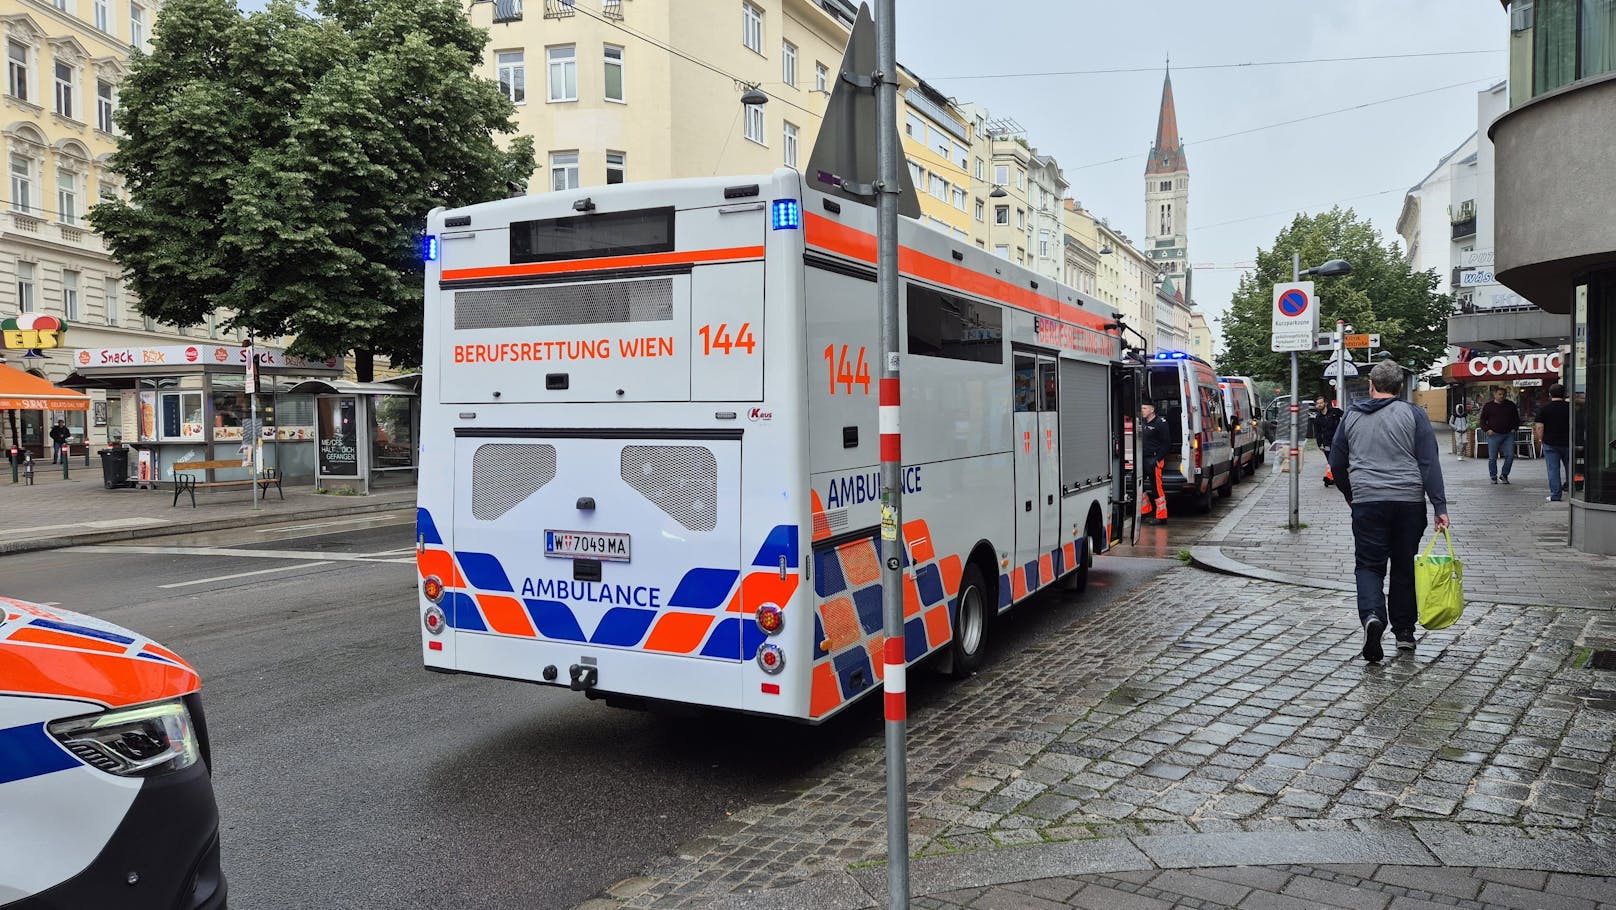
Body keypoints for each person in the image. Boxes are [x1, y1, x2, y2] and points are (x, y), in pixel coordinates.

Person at [1328, 360, 1449, 662]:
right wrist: (1439, 506)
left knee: (1369, 565)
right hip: (1408, 502)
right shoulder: (1414, 414)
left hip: (1368, 501)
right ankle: (1405, 633)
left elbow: (1336, 462)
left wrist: (1350, 493)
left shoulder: (1351, 416)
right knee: (1405, 565)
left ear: (1371, 385)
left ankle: (1372, 616)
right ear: (1399, 388)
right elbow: (1429, 462)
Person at [1534, 383, 1571, 502]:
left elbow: (1539, 427)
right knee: (1570, 468)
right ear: (1564, 394)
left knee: (1553, 469)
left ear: (1550, 394)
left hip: (1550, 443)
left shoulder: (1544, 409)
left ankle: (1556, 495)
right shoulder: (1570, 408)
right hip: (1568, 442)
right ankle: (1574, 493)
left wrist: (1541, 440)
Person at [1478, 387, 1521, 484]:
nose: (1502, 396)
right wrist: (1487, 429)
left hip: (1508, 434)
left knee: (1510, 455)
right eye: (1500, 394)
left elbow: (1516, 418)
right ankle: (1493, 476)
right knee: (1492, 457)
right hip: (1494, 435)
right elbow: (1482, 419)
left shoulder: (1510, 405)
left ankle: (1504, 475)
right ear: (1495, 395)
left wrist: (1515, 428)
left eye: (1503, 394)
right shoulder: (1488, 406)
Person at [1139, 402, 1170, 525]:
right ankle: (1145, 511)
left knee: (1156, 488)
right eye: (1141, 408)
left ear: (1152, 410)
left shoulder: (1160, 423)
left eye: (1144, 408)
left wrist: (1157, 459)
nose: (1142, 410)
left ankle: (1162, 517)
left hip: (1154, 460)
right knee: (1139, 486)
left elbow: (1167, 444)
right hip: (1143, 459)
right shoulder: (1142, 422)